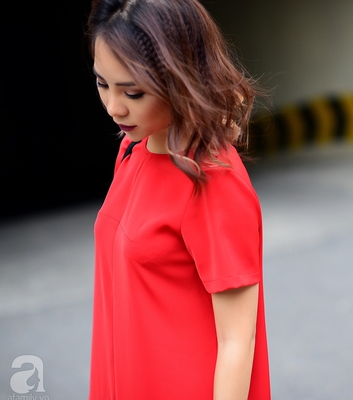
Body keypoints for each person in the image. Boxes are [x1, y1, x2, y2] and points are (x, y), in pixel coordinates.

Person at [86, 0, 270, 398]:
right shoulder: (131, 150)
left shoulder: (212, 179)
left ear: (180, 79)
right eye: (102, 84)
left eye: (133, 92)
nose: (114, 107)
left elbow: (238, 341)